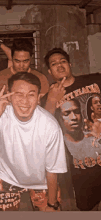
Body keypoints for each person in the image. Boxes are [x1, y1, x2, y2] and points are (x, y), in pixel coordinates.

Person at [0, 72, 67, 211]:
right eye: (18, 94)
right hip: (8, 177)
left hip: (41, 182)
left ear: (38, 98)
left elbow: (52, 170)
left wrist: (52, 204)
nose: (24, 100)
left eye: (31, 94)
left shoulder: (50, 126)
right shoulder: (0, 114)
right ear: (9, 96)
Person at [42, 47, 101, 211]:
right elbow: (43, 128)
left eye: (63, 61)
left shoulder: (95, 80)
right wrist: (52, 100)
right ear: (49, 71)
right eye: (54, 64)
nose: (59, 65)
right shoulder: (48, 97)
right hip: (82, 169)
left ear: (70, 64)